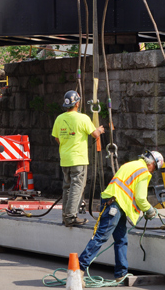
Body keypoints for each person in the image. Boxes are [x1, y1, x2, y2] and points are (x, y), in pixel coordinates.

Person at [78, 150, 164, 282]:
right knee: (101, 237)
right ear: (152, 163)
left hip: (115, 203)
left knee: (121, 239)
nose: (153, 171)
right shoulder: (143, 172)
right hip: (115, 205)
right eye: (155, 168)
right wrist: (150, 210)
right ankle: (78, 269)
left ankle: (121, 274)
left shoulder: (130, 165)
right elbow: (141, 198)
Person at [51, 90, 104, 227]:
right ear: (78, 103)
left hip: (65, 159)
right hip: (78, 159)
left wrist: (67, 144)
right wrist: (100, 130)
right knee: (77, 187)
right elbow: (95, 134)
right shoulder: (83, 118)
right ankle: (70, 217)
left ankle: (65, 216)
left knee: (67, 187)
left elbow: (57, 138)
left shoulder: (59, 118)